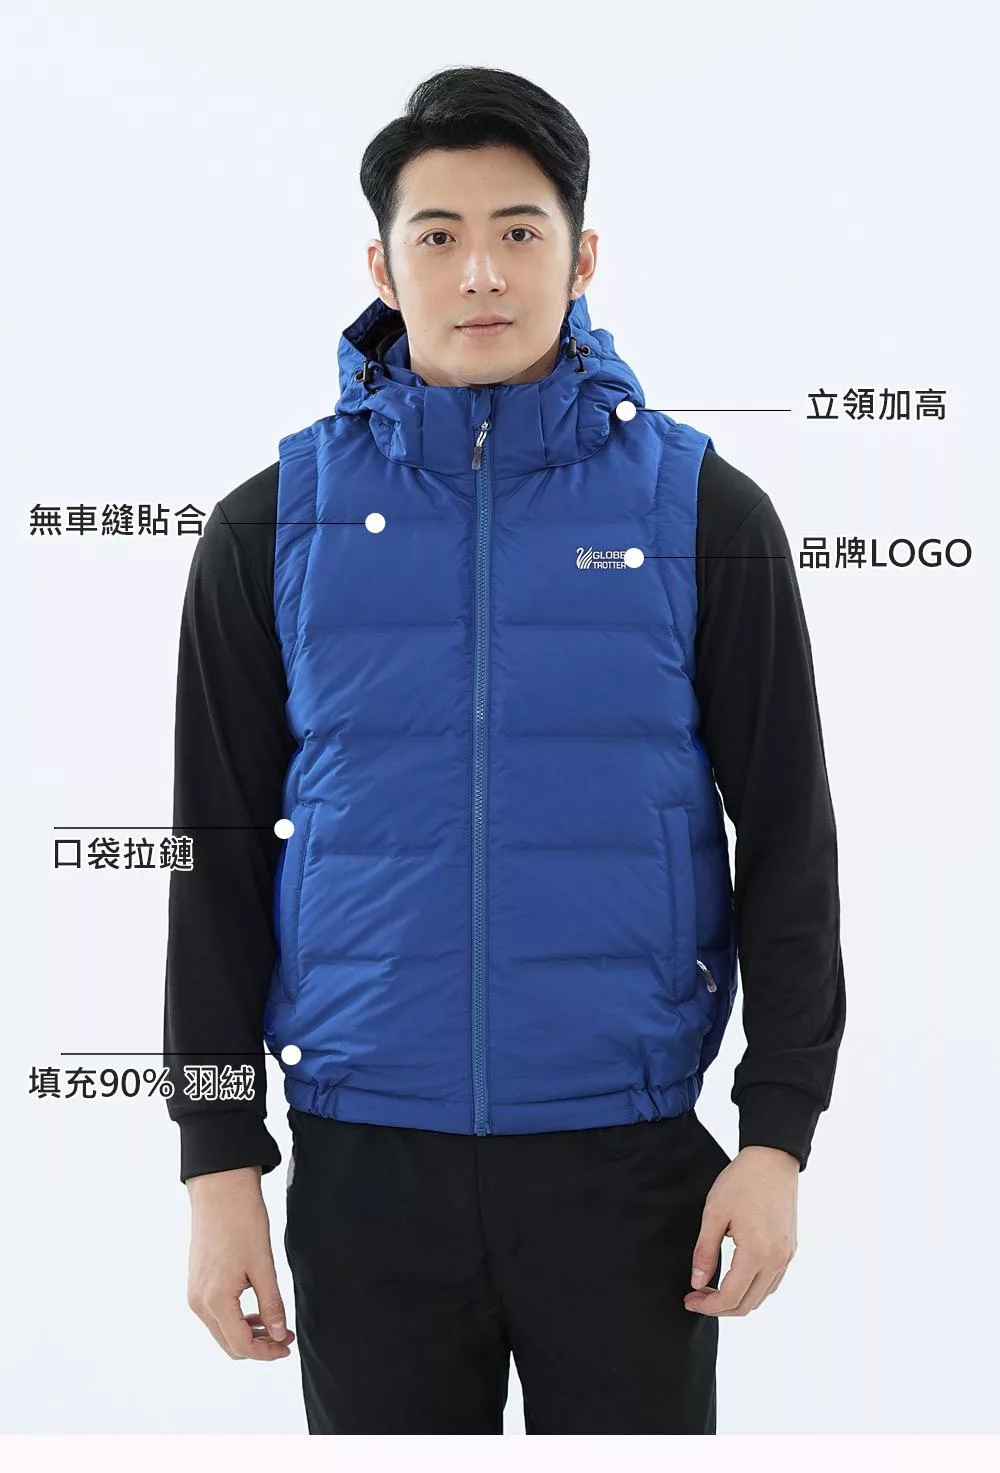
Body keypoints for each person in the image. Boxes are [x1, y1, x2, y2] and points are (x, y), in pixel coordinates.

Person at [163, 65, 846, 1434]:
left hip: (629, 1161)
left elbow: (788, 837)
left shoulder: (705, 514)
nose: (480, 270)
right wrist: (216, 1161)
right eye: (439, 235)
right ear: (383, 264)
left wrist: (775, 1137)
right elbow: (213, 861)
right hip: (367, 1168)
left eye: (520, 231)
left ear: (581, 258)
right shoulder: (269, 526)